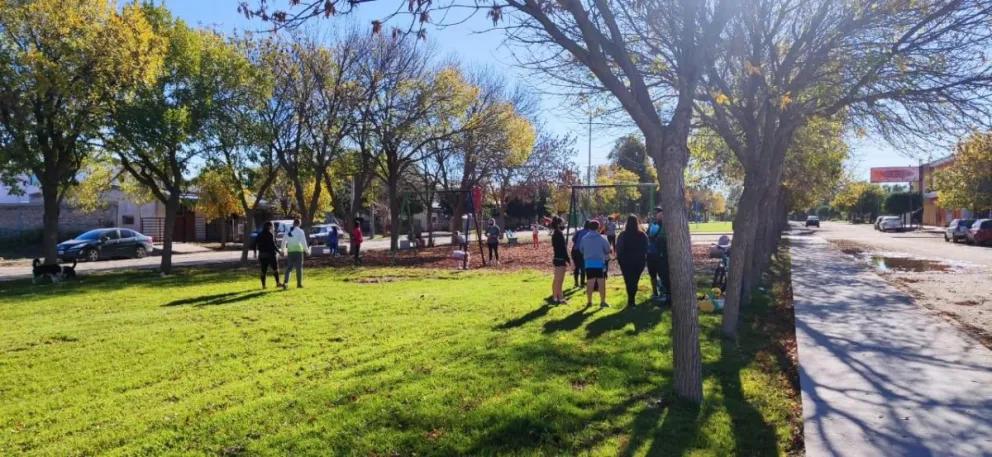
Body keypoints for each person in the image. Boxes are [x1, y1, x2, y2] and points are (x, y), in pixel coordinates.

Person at [616, 215, 648, 307]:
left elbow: (618, 248)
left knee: (628, 280)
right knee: (635, 280)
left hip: (625, 261)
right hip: (638, 260)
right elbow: (646, 247)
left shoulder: (622, 235)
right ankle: (632, 299)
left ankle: (631, 299)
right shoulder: (642, 235)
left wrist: (619, 258)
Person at [580, 220, 612, 308]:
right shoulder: (602, 238)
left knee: (590, 282)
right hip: (599, 263)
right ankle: (602, 302)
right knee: (601, 283)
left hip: (588, 263)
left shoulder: (584, 238)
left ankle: (589, 302)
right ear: (598, 228)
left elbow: (581, 250)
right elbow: (608, 249)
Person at [646, 207, 671, 303]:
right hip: (652, 253)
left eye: (657, 213)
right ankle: (655, 292)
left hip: (661, 255)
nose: (655, 215)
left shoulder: (665, 226)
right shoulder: (653, 225)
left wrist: (653, 237)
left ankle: (664, 293)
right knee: (653, 274)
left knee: (663, 274)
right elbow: (647, 235)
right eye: (655, 213)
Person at [281, 218, 308, 289]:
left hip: (290, 252)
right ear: (299, 224)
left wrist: (282, 250)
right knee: (299, 268)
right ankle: (299, 284)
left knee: (289, 268)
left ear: (293, 223)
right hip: (298, 252)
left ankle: (285, 283)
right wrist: (307, 251)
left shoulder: (288, 231)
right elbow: (303, 242)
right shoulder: (300, 231)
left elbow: (283, 241)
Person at [255, 222, 282, 289]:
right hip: (270, 254)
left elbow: (256, 244)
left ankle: (264, 286)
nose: (272, 227)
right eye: (272, 226)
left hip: (262, 254)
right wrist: (279, 252)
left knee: (263, 271)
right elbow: (273, 245)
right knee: (275, 269)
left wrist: (255, 252)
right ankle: (278, 283)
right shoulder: (270, 234)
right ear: (269, 226)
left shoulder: (259, 234)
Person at [549, 216, 570, 304]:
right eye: (562, 223)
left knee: (556, 280)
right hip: (560, 259)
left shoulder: (555, 233)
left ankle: (555, 298)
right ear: (558, 224)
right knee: (559, 280)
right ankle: (560, 299)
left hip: (556, 258)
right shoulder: (559, 234)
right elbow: (563, 249)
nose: (563, 224)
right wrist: (568, 260)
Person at [571, 220, 590, 288]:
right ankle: (582, 283)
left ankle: (576, 282)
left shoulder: (579, 231)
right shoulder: (589, 233)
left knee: (576, 267)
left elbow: (573, 239)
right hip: (582, 252)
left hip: (575, 251)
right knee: (583, 267)